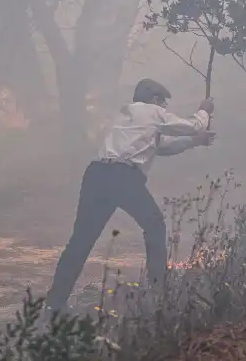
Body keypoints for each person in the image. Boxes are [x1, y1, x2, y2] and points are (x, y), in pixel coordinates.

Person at [44, 78, 215, 313]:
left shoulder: (128, 116)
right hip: (123, 176)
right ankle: (158, 292)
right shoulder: (152, 112)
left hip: (96, 174)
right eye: (163, 103)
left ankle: (54, 303)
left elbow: (162, 147)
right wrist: (204, 111)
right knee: (154, 225)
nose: (164, 108)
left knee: (81, 240)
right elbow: (193, 125)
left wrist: (195, 142)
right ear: (154, 100)